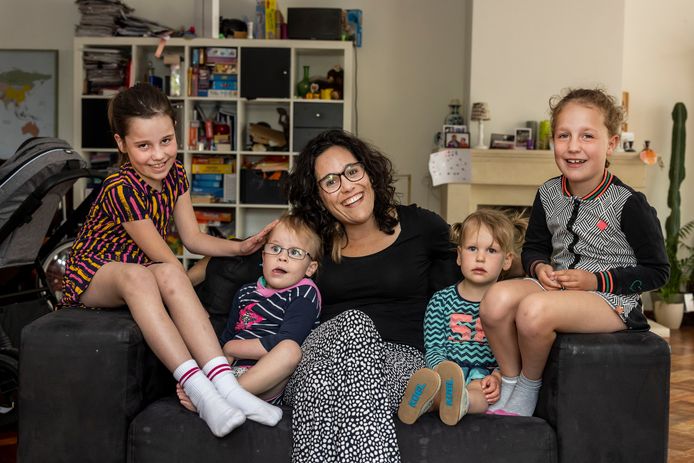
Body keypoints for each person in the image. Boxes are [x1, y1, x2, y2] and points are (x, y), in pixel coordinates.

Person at [60, 83, 282, 437]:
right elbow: (165, 261)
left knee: (154, 274)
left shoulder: (176, 173)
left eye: (166, 140)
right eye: (143, 146)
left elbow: (192, 239)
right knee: (146, 275)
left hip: (145, 269)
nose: (159, 154)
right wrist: (192, 293)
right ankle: (201, 391)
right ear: (121, 144)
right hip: (95, 274)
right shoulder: (121, 188)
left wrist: (241, 247)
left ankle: (227, 387)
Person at [480, 88, 670, 417]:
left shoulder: (630, 204)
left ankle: (528, 386)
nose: (573, 146)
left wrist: (595, 281)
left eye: (587, 136)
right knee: (494, 301)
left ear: (610, 144)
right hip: (556, 285)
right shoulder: (549, 192)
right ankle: (509, 380)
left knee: (532, 311)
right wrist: (538, 267)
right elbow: (536, 246)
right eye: (564, 135)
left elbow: (657, 271)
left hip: (610, 301)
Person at [283, 129, 460, 463]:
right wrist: (180, 270)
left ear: (368, 171)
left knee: (320, 384)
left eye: (352, 171)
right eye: (331, 181)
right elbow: (254, 263)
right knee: (354, 323)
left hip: (402, 364)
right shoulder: (310, 240)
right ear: (318, 196)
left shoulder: (422, 226)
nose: (348, 186)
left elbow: (477, 267)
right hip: (323, 352)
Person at [176, 213, 322, 407]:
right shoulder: (245, 292)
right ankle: (220, 393)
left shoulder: (304, 293)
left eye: (295, 253)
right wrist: (211, 368)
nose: (282, 257)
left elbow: (286, 340)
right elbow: (227, 337)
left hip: (269, 380)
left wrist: (232, 348)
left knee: (290, 350)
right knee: (206, 359)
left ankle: (218, 399)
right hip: (232, 374)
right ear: (263, 256)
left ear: (310, 268)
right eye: (275, 249)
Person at [398, 209, 527, 426]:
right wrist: (443, 370)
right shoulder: (441, 300)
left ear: (507, 261)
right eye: (472, 248)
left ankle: (460, 403)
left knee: (481, 395)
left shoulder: (507, 305)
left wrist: (496, 376)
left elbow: (513, 350)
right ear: (459, 255)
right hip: (444, 373)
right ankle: (421, 400)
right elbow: (434, 346)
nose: (480, 257)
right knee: (436, 384)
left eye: (492, 250)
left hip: (481, 376)